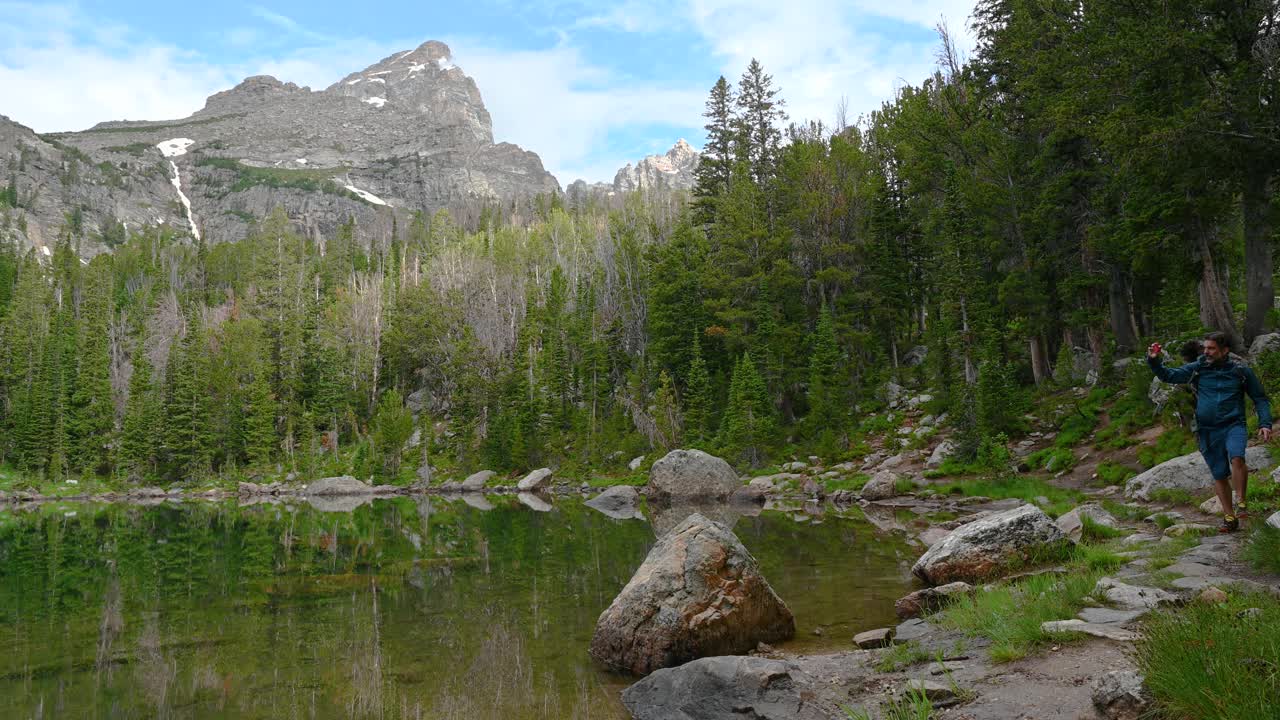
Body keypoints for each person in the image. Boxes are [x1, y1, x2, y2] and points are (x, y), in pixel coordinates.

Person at [1148, 331, 1272, 532]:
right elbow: (1169, 375)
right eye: (1205, 347)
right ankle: (1229, 518)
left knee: (1237, 457)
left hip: (1234, 424)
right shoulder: (1198, 368)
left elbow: (1260, 398)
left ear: (1225, 350)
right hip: (1207, 430)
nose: (1206, 352)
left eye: (1211, 348)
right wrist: (1154, 361)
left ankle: (1241, 502)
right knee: (1219, 474)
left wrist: (1265, 423)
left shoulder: (1241, 371)